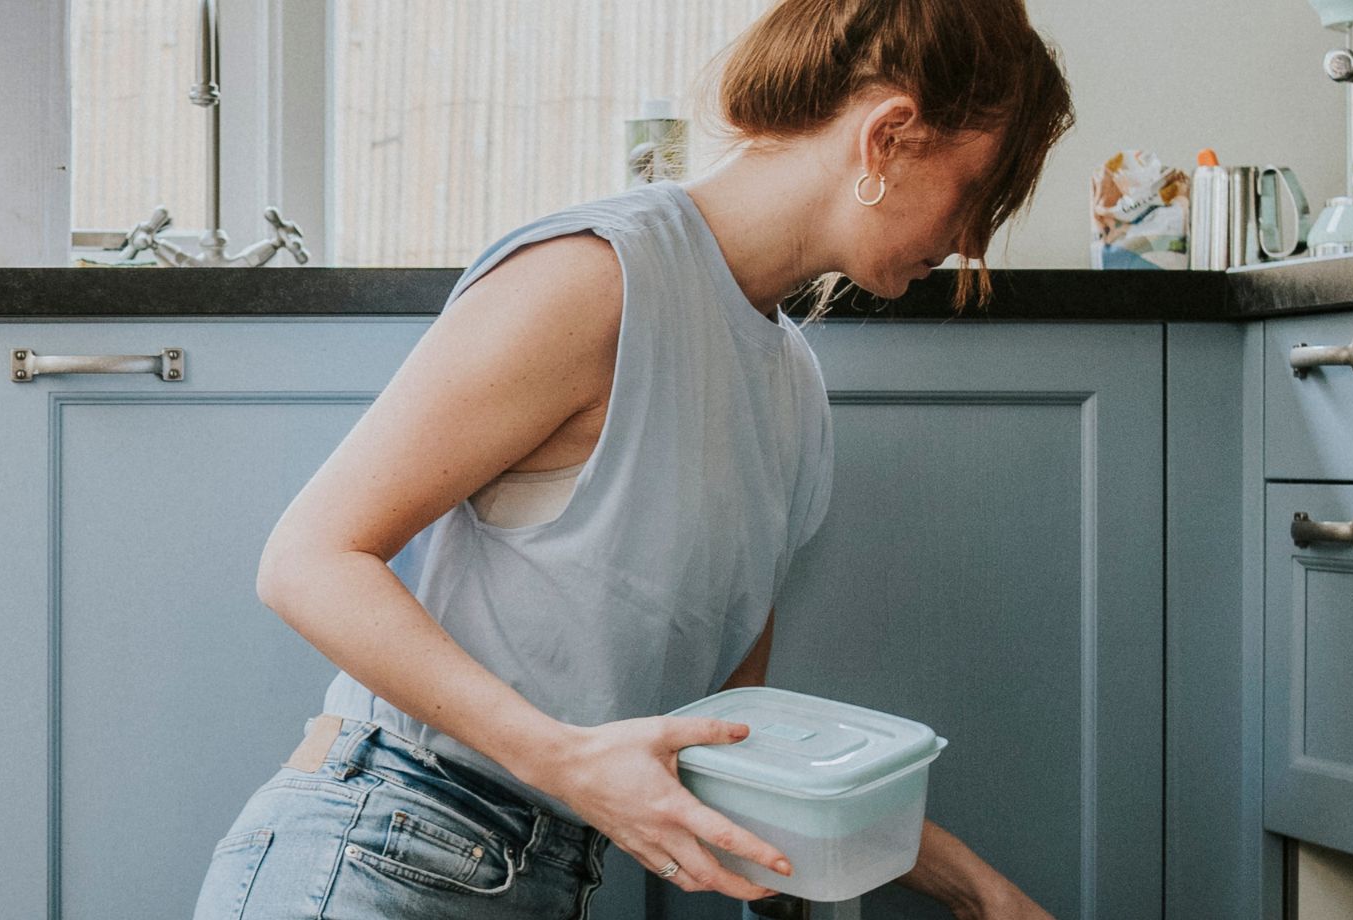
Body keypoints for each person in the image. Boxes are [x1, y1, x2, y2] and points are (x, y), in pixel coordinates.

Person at [188, 0, 1074, 916]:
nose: (971, 241)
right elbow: (307, 560)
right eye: (976, 195)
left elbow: (729, 741)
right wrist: (570, 763)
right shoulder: (595, 278)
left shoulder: (793, 394)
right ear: (888, 137)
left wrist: (968, 886)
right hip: (378, 847)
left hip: (541, 883)